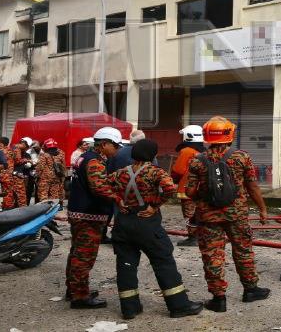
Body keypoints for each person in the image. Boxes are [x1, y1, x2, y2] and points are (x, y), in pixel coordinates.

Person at [107, 138, 203, 319]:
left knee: (126, 264)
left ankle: (129, 308)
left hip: (123, 223)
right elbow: (169, 188)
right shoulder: (155, 172)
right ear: (153, 154)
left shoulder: (120, 173)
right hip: (146, 223)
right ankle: (179, 305)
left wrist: (117, 200)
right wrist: (155, 206)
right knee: (163, 261)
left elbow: (102, 185)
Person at [185, 116, 270, 313]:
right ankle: (251, 290)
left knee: (213, 254)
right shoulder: (241, 157)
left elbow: (189, 192)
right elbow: (253, 186)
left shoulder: (197, 160)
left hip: (208, 217)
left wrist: (204, 195)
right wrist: (262, 209)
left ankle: (218, 298)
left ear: (207, 137)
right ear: (229, 135)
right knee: (243, 250)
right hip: (237, 215)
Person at [65, 127, 122, 309]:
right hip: (88, 215)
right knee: (84, 256)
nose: (117, 150)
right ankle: (80, 296)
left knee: (76, 252)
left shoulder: (85, 157)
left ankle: (73, 289)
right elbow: (99, 188)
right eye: (115, 146)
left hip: (79, 211)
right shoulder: (95, 161)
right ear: (104, 144)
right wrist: (119, 199)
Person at [171, 125, 204, 247]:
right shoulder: (202, 151)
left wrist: (173, 180)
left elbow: (178, 170)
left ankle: (193, 237)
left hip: (187, 189)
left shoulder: (186, 151)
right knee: (199, 213)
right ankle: (201, 236)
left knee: (189, 213)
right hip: (200, 189)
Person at [2, 138, 29, 210]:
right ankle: (23, 210)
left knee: (8, 193)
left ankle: (7, 208)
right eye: (26, 147)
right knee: (21, 194)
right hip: (13, 174)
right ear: (24, 144)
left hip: (6, 174)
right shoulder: (17, 149)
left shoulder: (9, 148)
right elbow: (17, 161)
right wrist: (26, 160)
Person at [36, 138, 65, 203]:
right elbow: (63, 166)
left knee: (43, 194)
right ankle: (54, 208)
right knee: (54, 194)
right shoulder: (61, 154)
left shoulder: (44, 155)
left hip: (45, 178)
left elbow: (40, 167)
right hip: (56, 177)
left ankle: (44, 208)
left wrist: (37, 175)